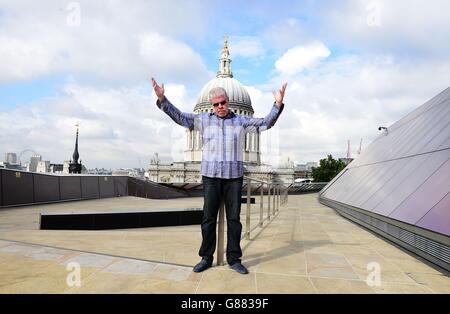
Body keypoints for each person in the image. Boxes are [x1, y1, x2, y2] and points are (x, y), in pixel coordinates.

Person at [151, 77, 287, 274]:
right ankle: (206, 258)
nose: (220, 106)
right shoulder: (203, 120)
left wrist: (278, 104)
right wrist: (162, 99)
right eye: (216, 104)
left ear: (228, 101)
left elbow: (266, 123)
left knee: (234, 220)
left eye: (223, 102)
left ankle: (234, 258)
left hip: (233, 176)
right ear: (212, 106)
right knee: (208, 218)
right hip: (211, 176)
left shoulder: (240, 121)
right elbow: (180, 117)